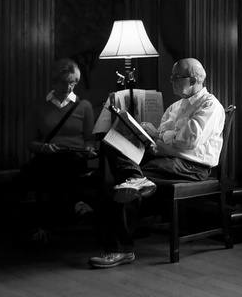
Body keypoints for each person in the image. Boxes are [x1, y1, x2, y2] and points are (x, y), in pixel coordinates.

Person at [88, 57, 224, 269]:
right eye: (171, 77)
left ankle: (120, 248)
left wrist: (159, 134)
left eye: (176, 77)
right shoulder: (175, 106)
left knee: (126, 184)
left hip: (191, 167)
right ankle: (134, 177)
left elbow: (189, 141)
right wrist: (148, 136)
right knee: (113, 142)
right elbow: (165, 139)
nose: (172, 81)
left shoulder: (210, 105)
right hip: (165, 158)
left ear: (195, 79)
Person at [17, 57, 95, 245]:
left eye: (74, 83)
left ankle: (40, 227)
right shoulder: (39, 105)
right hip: (47, 156)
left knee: (61, 166)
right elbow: (30, 142)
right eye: (66, 83)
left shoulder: (84, 106)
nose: (70, 88)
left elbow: (89, 139)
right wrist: (44, 147)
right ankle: (76, 205)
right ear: (55, 81)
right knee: (28, 175)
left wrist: (89, 150)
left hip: (73, 156)